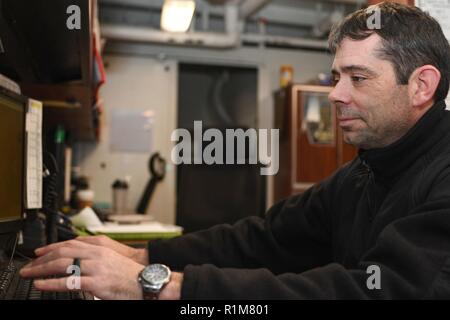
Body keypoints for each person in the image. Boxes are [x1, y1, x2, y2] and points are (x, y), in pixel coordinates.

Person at [20, 2, 450, 299]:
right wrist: (140, 255)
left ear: (421, 85)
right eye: (336, 76)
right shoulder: (364, 171)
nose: (335, 94)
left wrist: (158, 284)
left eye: (357, 78)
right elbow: (264, 239)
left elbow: (368, 291)